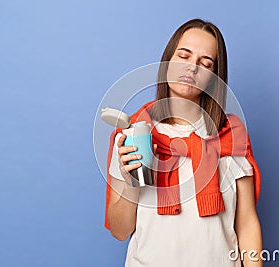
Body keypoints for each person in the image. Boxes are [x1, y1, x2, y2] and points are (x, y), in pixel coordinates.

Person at [104, 18, 263, 267]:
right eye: (184, 56)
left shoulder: (231, 134)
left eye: (205, 63)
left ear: (214, 77)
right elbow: (120, 230)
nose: (192, 68)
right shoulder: (133, 133)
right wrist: (129, 179)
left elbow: (247, 223)